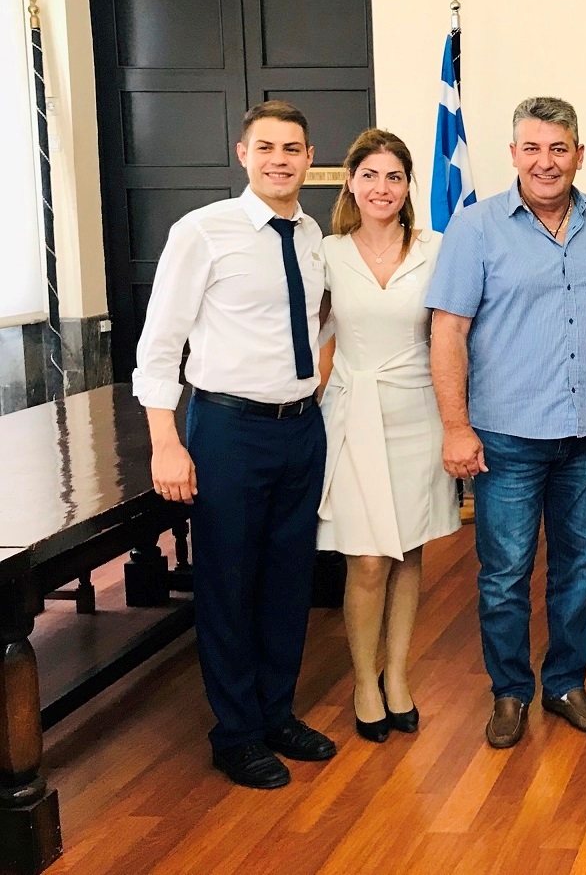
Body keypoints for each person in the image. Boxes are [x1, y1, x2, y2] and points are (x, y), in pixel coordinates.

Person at [134, 100, 336, 788]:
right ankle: (236, 734)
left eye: (293, 148)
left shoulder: (311, 234)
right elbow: (159, 345)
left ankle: (276, 714)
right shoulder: (202, 231)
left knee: (288, 580)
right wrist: (166, 442)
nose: (280, 160)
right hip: (228, 429)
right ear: (243, 154)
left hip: (300, 428)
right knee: (228, 582)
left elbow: (317, 325)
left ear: (309, 159)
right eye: (266, 147)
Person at [427, 97, 586, 748]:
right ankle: (509, 691)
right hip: (505, 437)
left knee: (580, 571)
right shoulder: (475, 228)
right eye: (534, 149)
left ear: (578, 155)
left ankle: (566, 682)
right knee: (504, 575)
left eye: (559, 149)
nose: (547, 162)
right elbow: (448, 331)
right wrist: (455, 427)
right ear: (514, 154)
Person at [316, 129, 457, 743]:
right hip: (351, 414)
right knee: (367, 557)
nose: (381, 188)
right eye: (369, 175)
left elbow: (452, 335)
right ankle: (362, 682)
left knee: (407, 551)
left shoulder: (437, 248)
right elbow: (311, 333)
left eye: (393, 177)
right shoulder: (326, 252)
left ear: (407, 187)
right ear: (351, 183)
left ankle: (396, 675)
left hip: (417, 412)